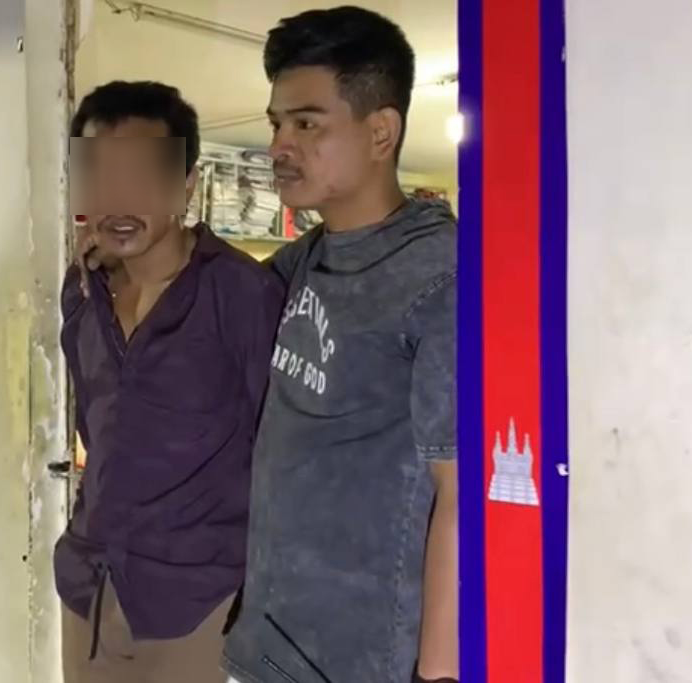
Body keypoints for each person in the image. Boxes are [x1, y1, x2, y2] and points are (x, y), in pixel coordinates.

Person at [220, 7, 459, 683]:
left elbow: (460, 496)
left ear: (381, 132)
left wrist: (438, 677)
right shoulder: (307, 259)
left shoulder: (440, 276)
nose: (278, 146)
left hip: (356, 662)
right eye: (276, 124)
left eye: (307, 124)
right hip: (267, 647)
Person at [55, 80, 284, 683]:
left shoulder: (242, 294)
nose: (118, 200)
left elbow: (281, 457)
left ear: (186, 186)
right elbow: (99, 431)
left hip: (197, 603)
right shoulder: (83, 293)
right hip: (89, 588)